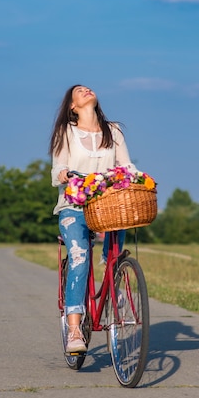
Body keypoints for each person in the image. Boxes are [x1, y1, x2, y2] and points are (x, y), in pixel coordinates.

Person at [49, 84, 136, 353]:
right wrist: (64, 174)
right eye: (79, 91)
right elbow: (58, 168)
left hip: (108, 206)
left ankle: (113, 288)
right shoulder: (66, 132)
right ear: (72, 106)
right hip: (74, 206)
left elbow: (125, 165)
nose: (86, 90)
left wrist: (135, 177)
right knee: (79, 257)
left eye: (88, 88)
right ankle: (74, 329)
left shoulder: (114, 131)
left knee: (113, 252)